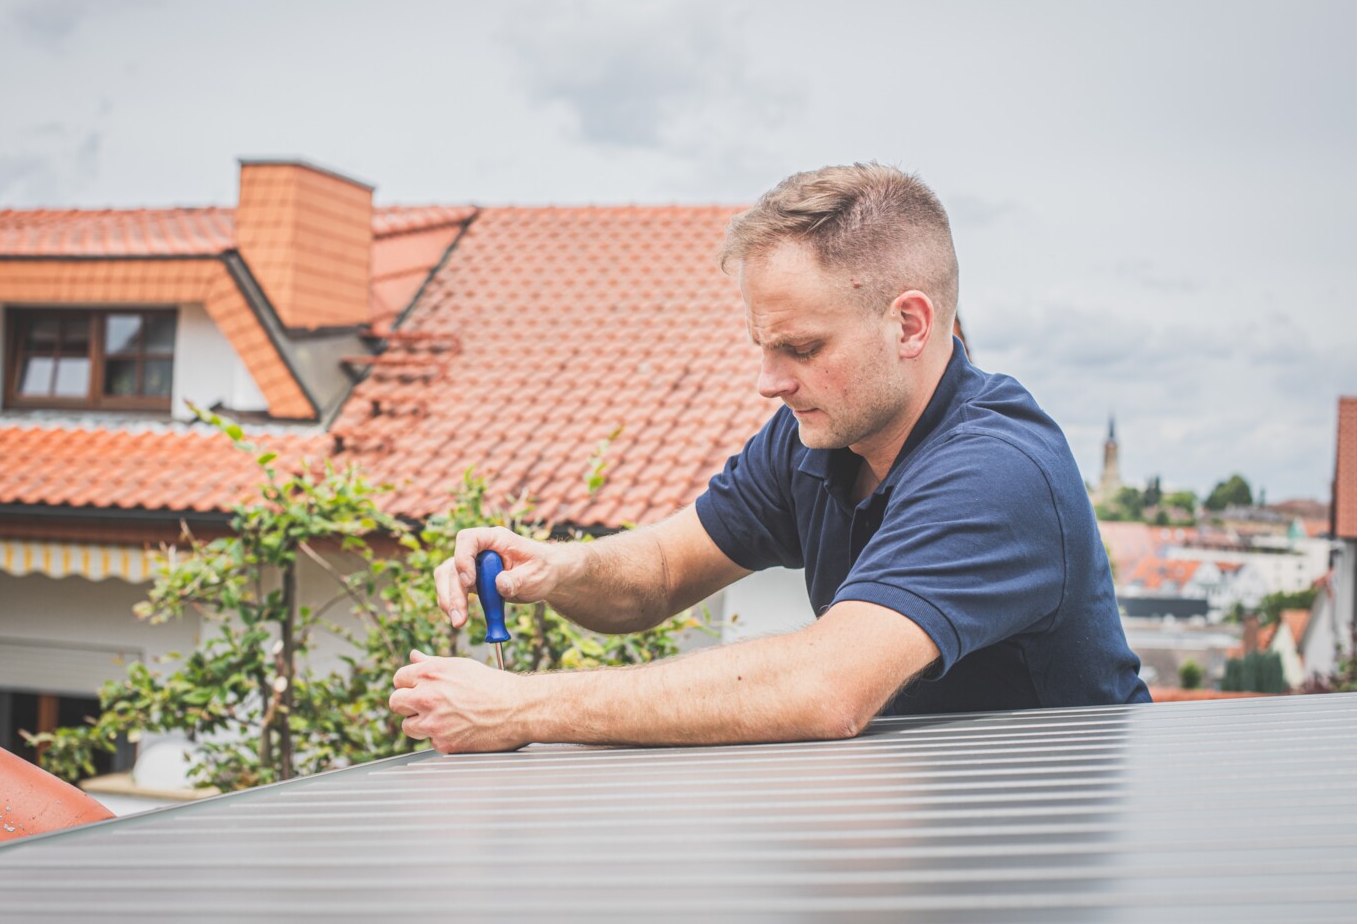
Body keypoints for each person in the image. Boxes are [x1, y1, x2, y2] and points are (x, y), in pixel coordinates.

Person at [389, 162, 1149, 753]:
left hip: (1046, 852)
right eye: (762, 345)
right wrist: (557, 570)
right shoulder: (817, 435)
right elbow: (659, 574)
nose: (768, 382)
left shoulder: (997, 470)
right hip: (917, 833)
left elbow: (826, 688)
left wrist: (521, 707)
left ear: (910, 325)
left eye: (802, 347)